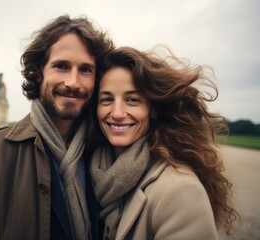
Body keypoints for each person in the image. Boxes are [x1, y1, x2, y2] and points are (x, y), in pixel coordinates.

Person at [0, 15, 113, 240]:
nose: (73, 82)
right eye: (61, 66)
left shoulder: (104, 151)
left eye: (85, 69)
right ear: (38, 72)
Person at [86, 46, 237, 239]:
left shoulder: (181, 190)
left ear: (153, 110)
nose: (116, 113)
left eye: (132, 100)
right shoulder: (92, 171)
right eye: (106, 99)